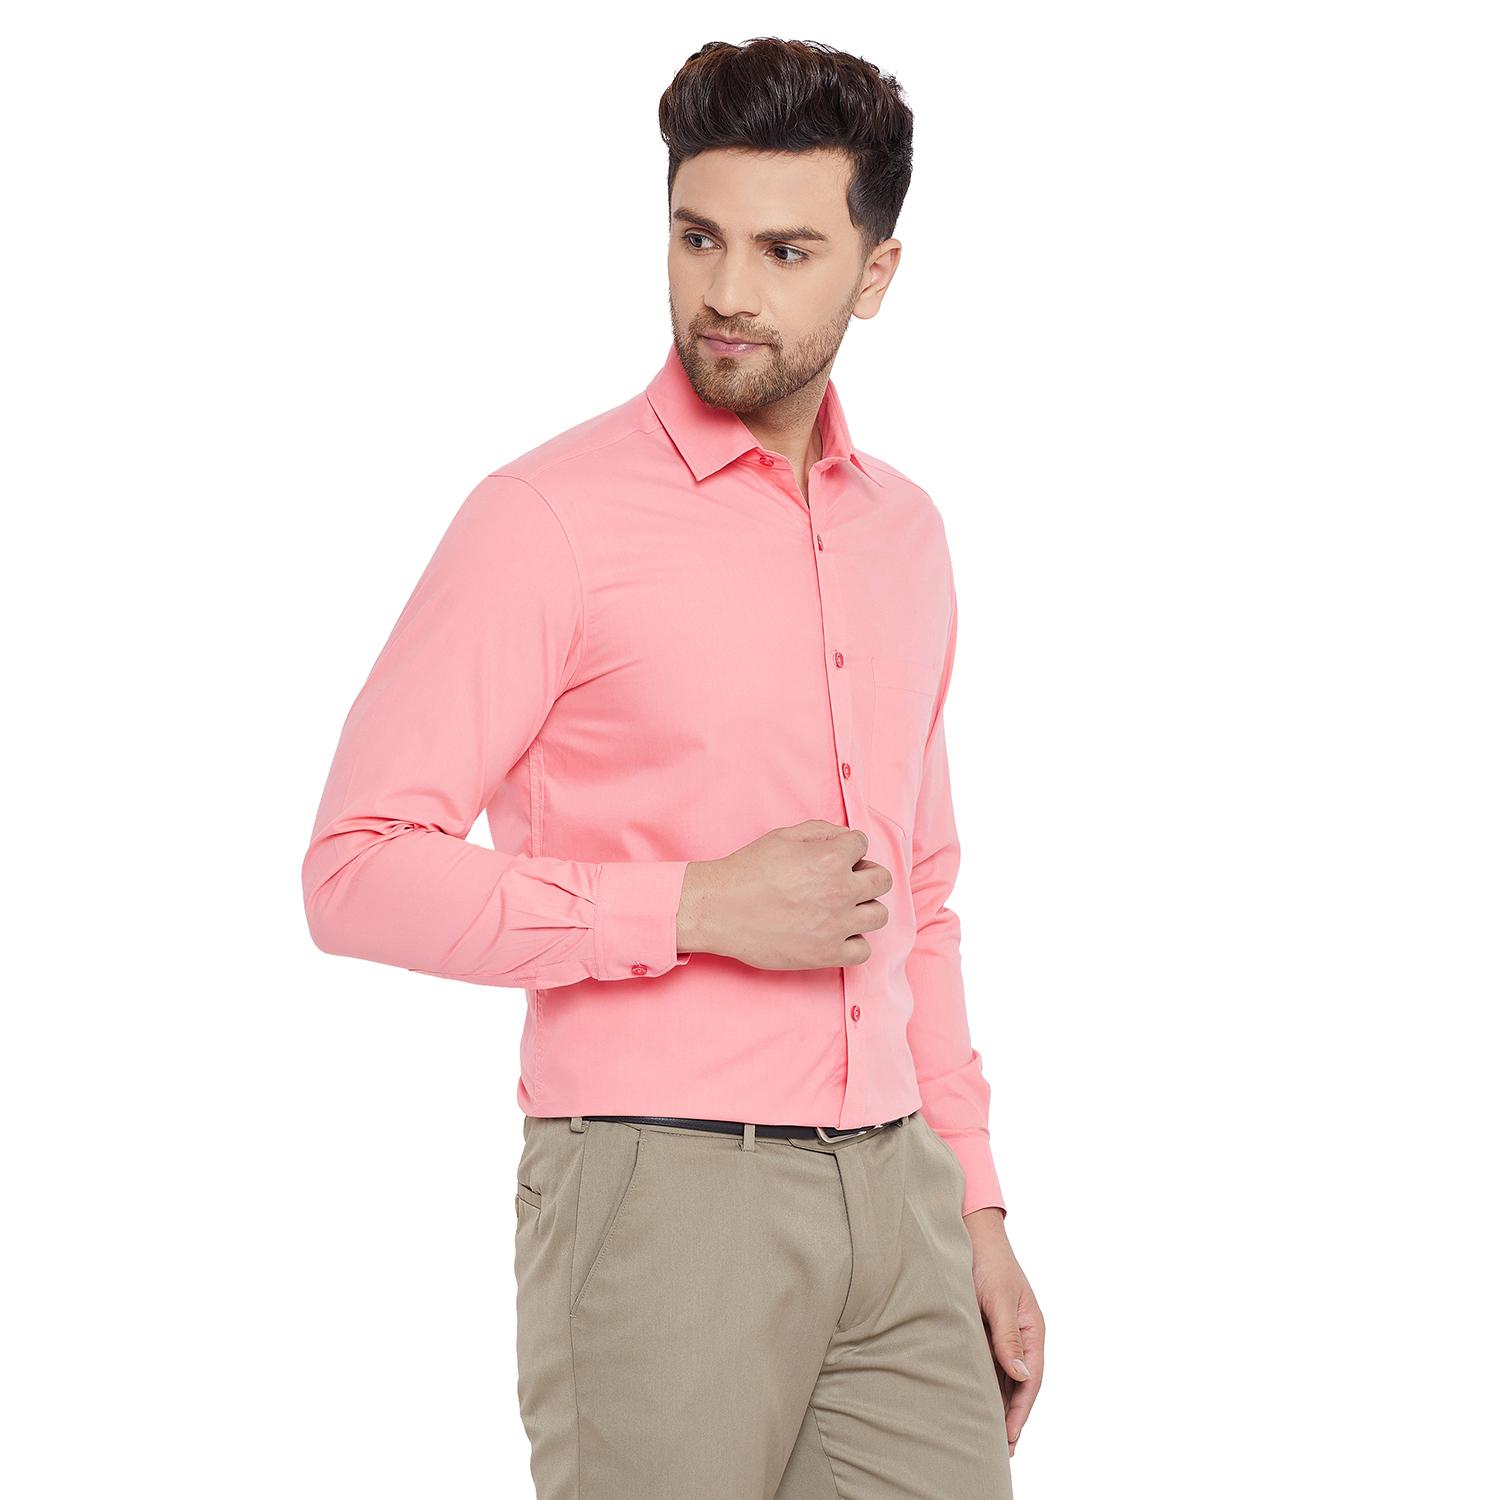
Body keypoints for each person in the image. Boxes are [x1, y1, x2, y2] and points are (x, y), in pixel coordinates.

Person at [301, 35, 1044, 1500]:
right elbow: (353, 871)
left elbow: (925, 896)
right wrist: (694, 907)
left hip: (900, 1194)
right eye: (698, 236)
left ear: (877, 273)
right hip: (659, 1192)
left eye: (785, 250)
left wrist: (977, 1204)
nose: (727, 291)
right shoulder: (547, 519)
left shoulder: (906, 534)